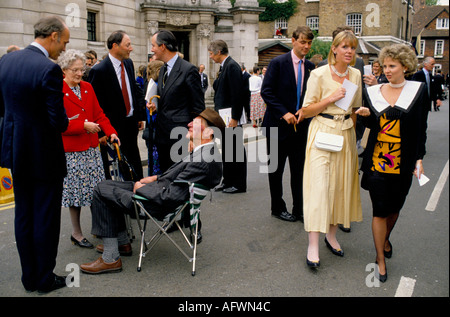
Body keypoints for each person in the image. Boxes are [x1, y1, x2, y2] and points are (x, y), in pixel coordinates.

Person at [79, 109, 224, 274]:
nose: (189, 124)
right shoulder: (205, 152)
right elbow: (176, 180)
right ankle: (122, 242)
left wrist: (142, 189)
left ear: (210, 131)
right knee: (106, 185)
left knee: (100, 191)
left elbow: (169, 197)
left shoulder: (202, 160)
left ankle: (110, 258)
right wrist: (155, 178)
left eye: (196, 122)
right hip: (158, 191)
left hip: (154, 204)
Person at [0, 16, 70, 293]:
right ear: (53, 36)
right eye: (63, 42)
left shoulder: (6, 61)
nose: (64, 48)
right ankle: (43, 279)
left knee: (24, 215)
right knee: (45, 217)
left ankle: (29, 277)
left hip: (15, 151)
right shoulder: (48, 70)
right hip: (43, 155)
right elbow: (59, 122)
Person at [301, 30, 370, 268]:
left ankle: (331, 235)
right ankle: (313, 243)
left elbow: (355, 106)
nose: (349, 51)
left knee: (340, 186)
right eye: (344, 47)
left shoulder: (356, 74)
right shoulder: (318, 74)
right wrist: (330, 98)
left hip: (346, 134)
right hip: (321, 131)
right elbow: (306, 112)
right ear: (334, 49)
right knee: (319, 187)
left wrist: (357, 116)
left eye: (352, 47)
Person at [361, 44, 429, 282]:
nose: (387, 70)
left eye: (392, 66)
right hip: (378, 162)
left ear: (405, 66)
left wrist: (419, 158)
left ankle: (386, 237)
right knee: (379, 210)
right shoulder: (374, 92)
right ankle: (380, 258)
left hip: (404, 162)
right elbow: (372, 126)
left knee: (394, 208)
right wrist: (364, 117)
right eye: (385, 65)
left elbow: (421, 128)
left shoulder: (419, 90)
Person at [57, 49, 120, 249]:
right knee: (75, 195)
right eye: (75, 70)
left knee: (96, 193)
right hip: (71, 152)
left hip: (91, 150)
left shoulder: (87, 87)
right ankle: (76, 233)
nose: (79, 73)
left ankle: (100, 229)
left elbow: (99, 115)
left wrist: (111, 132)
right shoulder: (57, 90)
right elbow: (57, 124)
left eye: (81, 69)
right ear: (64, 70)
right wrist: (82, 126)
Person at [260, 26, 315, 222]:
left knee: (299, 171)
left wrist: (306, 110)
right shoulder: (278, 62)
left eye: (309, 43)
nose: (306, 46)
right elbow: (266, 92)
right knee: (275, 170)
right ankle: (277, 207)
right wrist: (284, 113)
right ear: (293, 41)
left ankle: (299, 210)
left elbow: (311, 95)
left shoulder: (310, 67)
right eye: (302, 42)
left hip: (300, 127)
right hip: (276, 126)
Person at [88, 30, 146, 180]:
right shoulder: (99, 71)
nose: (131, 48)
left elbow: (133, 90)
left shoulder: (128, 63)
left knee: (134, 163)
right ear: (115, 46)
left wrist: (139, 115)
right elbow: (95, 104)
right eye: (127, 45)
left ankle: (137, 191)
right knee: (119, 167)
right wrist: (101, 133)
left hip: (131, 123)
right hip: (112, 128)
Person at [148, 30, 205, 173]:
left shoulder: (188, 70)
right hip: (163, 136)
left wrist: (195, 139)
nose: (151, 49)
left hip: (180, 136)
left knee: (180, 179)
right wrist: (155, 107)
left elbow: (198, 107)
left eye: (153, 45)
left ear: (163, 46)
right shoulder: (162, 70)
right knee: (166, 179)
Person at [209, 39, 247, 194]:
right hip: (224, 116)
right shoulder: (225, 67)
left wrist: (235, 118)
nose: (210, 57)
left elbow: (238, 94)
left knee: (235, 150)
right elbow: (219, 87)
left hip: (231, 116)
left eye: (211, 53)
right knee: (227, 150)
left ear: (219, 52)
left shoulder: (232, 66)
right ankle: (228, 181)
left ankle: (238, 184)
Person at [143, 59, 164, 176]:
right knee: (156, 161)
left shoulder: (151, 83)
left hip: (153, 128)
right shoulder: (154, 85)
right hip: (155, 129)